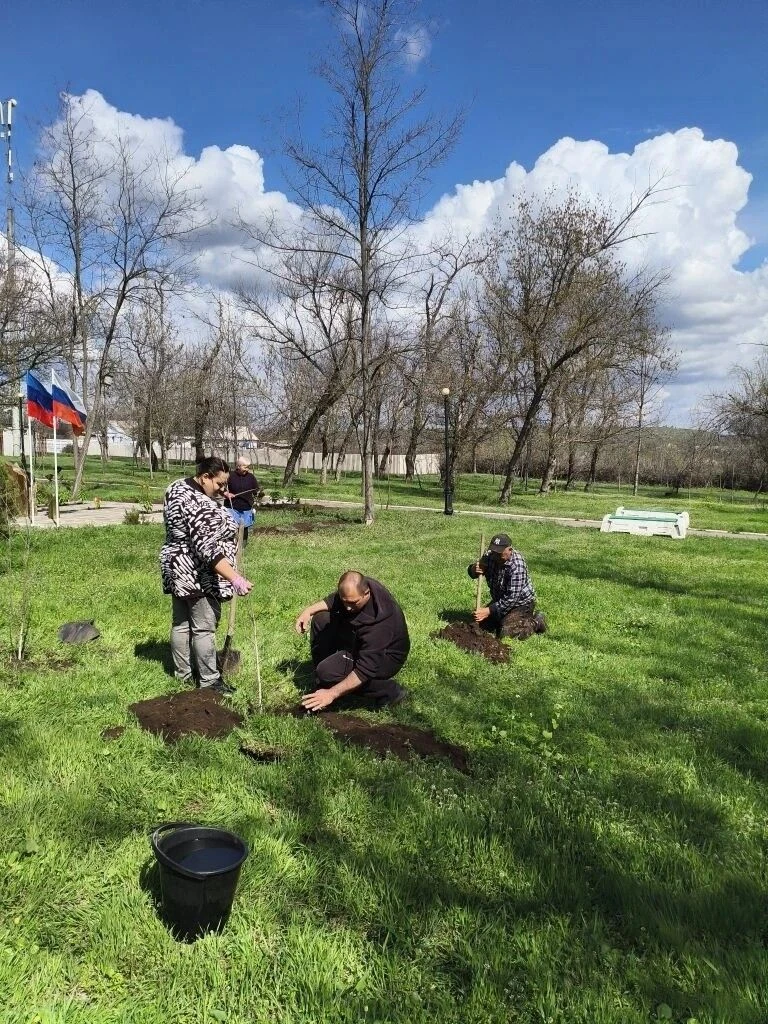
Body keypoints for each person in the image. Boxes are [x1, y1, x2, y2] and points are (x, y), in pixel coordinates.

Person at [160, 456, 253, 694]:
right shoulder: (200, 504)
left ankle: (183, 675)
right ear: (204, 478)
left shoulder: (176, 486)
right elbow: (207, 550)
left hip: (175, 564)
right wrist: (234, 577)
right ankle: (210, 681)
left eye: (226, 485)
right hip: (195, 572)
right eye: (219, 484)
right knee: (203, 627)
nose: (223, 490)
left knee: (181, 623)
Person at [295, 571, 410, 712]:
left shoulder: (380, 622)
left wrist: (332, 694)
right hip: (359, 641)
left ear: (366, 593)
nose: (348, 607)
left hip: (387, 658)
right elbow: (335, 600)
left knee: (326, 672)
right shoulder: (359, 588)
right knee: (322, 619)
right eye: (345, 602)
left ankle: (390, 691)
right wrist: (309, 611)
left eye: (353, 603)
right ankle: (324, 682)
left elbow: (364, 670)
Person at [468, 533, 547, 640]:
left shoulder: (517, 565)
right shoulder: (489, 556)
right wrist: (474, 568)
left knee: (506, 633)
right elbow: (473, 573)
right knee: (480, 625)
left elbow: (511, 599)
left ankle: (536, 621)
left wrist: (488, 611)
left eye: (499, 553)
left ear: (510, 549)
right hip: (500, 600)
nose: (495, 556)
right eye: (494, 551)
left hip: (520, 604)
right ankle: (502, 619)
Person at [224, 457, 262, 547]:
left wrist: (259, 493)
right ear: (238, 466)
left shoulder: (251, 477)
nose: (247, 469)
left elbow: (255, 490)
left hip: (246, 507)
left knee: (244, 527)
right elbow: (220, 488)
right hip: (232, 506)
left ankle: (243, 546)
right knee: (232, 527)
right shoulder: (230, 476)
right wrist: (226, 493)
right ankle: (231, 545)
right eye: (245, 467)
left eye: (248, 467)